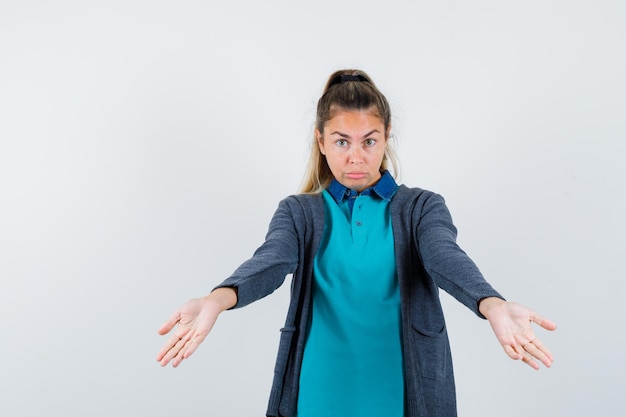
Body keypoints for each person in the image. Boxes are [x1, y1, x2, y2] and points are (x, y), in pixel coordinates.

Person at [156, 69, 557, 417]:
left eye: (369, 141)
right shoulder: (299, 212)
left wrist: (492, 303)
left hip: (401, 393)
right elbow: (271, 261)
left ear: (386, 139)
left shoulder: (419, 207)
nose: (356, 158)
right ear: (321, 140)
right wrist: (216, 300)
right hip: (317, 392)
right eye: (341, 141)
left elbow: (444, 257)